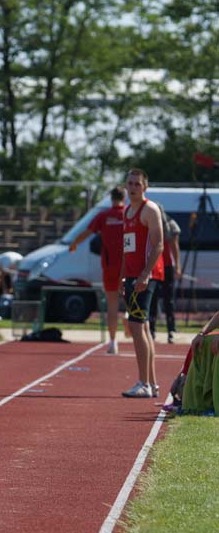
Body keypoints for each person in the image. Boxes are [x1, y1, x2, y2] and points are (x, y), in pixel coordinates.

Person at [120, 168, 165, 399]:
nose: (133, 187)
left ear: (145, 187)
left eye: (137, 184)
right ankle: (152, 384)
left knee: (136, 326)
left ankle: (144, 383)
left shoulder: (150, 209)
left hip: (147, 276)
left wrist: (145, 274)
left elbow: (159, 244)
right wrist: (123, 276)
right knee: (143, 327)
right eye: (130, 183)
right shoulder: (127, 211)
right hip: (132, 276)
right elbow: (127, 248)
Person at [68, 186, 126, 354]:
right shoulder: (129, 214)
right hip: (128, 265)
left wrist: (74, 243)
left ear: (111, 198)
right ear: (124, 197)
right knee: (133, 301)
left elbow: (88, 232)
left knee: (112, 304)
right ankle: (129, 321)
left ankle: (113, 342)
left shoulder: (104, 215)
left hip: (110, 265)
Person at [149, 207, 181, 343]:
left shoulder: (170, 226)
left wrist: (177, 266)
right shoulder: (150, 224)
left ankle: (170, 330)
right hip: (155, 266)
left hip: (166, 266)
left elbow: (175, 246)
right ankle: (151, 330)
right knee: (153, 299)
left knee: (168, 300)